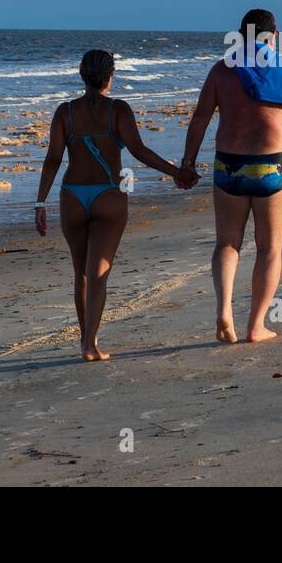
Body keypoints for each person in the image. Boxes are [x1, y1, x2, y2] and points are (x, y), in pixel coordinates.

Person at [34, 50, 197, 362]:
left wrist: (40, 202)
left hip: (72, 195)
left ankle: (86, 340)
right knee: (99, 274)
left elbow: (53, 159)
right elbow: (139, 151)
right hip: (110, 193)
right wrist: (178, 172)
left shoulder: (64, 112)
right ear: (111, 76)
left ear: (81, 75)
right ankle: (90, 345)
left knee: (80, 272)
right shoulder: (118, 110)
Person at [181, 9, 282, 344]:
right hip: (272, 166)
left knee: (227, 242)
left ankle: (224, 310)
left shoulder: (222, 69)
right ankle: (256, 326)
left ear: (240, 34)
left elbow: (199, 118)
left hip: (229, 165)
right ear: (275, 34)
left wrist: (187, 163)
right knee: (269, 246)